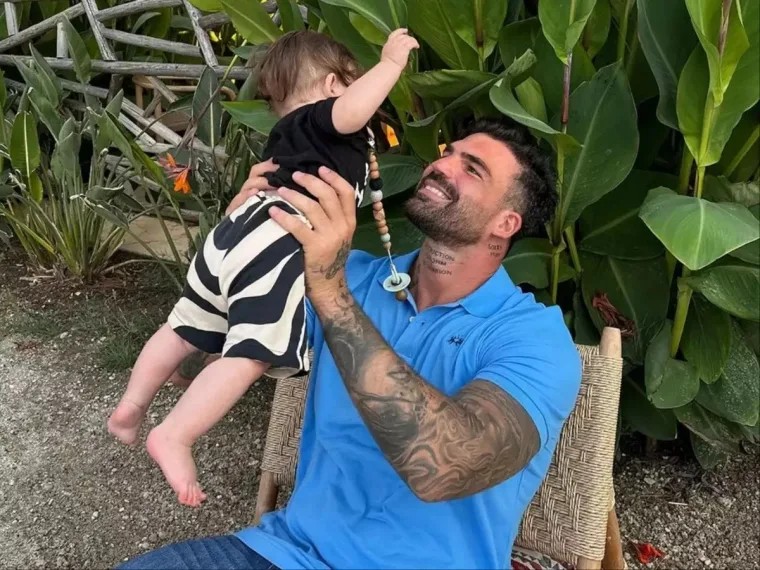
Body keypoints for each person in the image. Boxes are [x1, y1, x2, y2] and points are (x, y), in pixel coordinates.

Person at [117, 117, 583, 569]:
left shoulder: (534, 338)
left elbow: (443, 468)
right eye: (448, 154)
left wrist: (330, 293)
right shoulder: (353, 275)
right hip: (289, 552)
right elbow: (197, 364)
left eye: (472, 169)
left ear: (506, 223)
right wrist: (242, 247)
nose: (442, 166)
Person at [106, 28, 419, 507]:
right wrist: (391, 64)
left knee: (180, 328)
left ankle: (130, 407)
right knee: (252, 352)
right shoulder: (327, 117)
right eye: (352, 83)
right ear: (334, 85)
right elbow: (354, 110)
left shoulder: (287, 132)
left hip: (236, 228)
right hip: (280, 235)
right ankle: (175, 434)